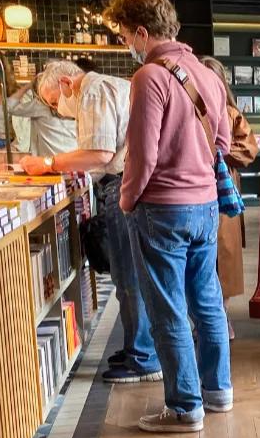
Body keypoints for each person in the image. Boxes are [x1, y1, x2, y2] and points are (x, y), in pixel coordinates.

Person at [106, 0, 233, 434]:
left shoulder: (151, 77)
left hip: (162, 207)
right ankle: (218, 392)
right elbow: (223, 143)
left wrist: (126, 200)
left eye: (124, 37)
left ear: (142, 31)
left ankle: (184, 408)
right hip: (205, 206)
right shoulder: (206, 73)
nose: (127, 47)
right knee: (207, 300)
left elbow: (143, 155)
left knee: (168, 308)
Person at [20, 60, 160, 385]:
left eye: (55, 101)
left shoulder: (93, 91)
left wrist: (48, 163)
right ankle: (139, 349)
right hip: (133, 182)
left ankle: (144, 357)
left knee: (128, 275)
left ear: (68, 83)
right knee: (131, 273)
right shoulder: (108, 86)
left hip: (126, 185)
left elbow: (98, 153)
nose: (58, 110)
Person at [199, 56, 260, 340]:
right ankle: (203, 318)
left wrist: (216, 153)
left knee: (224, 254)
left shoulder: (231, 113)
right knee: (200, 257)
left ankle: (221, 317)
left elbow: (248, 149)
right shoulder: (189, 108)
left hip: (222, 188)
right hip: (194, 188)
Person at [8, 69, 78, 156]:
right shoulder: (76, 104)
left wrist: (27, 86)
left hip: (50, 163)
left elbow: (10, 107)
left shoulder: (40, 107)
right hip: (73, 159)